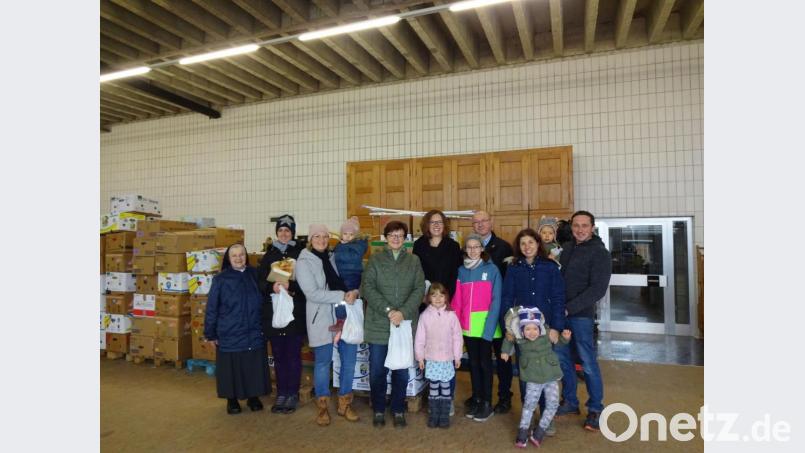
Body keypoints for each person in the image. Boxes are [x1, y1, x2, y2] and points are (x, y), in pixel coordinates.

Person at [501, 228, 566, 435]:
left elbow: (558, 298)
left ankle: (547, 417)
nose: (527, 247)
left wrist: (556, 327)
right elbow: (507, 299)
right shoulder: (513, 268)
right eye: (523, 244)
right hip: (522, 331)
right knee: (526, 373)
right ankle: (529, 415)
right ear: (518, 248)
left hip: (545, 330)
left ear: (538, 244)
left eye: (531, 242)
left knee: (547, 372)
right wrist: (509, 327)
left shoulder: (550, 267)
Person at [361, 220, 425, 428]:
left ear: (405, 239)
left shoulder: (414, 261)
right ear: (385, 238)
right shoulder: (376, 260)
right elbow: (368, 288)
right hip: (380, 324)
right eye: (392, 235)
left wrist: (403, 312)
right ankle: (379, 408)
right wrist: (389, 311)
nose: (396, 239)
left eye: (400, 235)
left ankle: (398, 408)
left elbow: (418, 290)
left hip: (404, 325)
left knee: (401, 371)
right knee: (378, 370)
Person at [295, 224, 361, 426]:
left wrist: (355, 291)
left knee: (349, 361)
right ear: (310, 238)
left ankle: (345, 404)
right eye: (317, 236)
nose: (322, 239)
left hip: (344, 313)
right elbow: (312, 293)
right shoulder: (303, 262)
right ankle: (323, 407)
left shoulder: (333, 256)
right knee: (323, 363)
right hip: (321, 317)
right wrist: (343, 295)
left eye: (325, 236)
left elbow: (352, 275)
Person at [554, 210, 611, 432]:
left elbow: (597, 289)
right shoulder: (567, 248)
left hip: (581, 317)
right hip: (560, 316)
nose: (579, 229)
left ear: (592, 227)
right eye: (576, 225)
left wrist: (570, 308)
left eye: (584, 225)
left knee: (587, 363)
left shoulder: (600, 253)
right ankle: (570, 401)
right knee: (562, 360)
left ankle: (595, 408)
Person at [204, 244, 269, 415]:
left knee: (252, 366)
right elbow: (212, 308)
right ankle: (231, 400)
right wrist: (210, 334)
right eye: (234, 256)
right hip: (229, 332)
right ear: (229, 258)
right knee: (231, 369)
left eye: (242, 255)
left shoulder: (255, 274)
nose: (239, 258)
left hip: (254, 329)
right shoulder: (221, 280)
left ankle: (253, 396)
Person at [256, 214, 307, 414]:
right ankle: (281, 394)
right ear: (276, 233)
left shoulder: (301, 254)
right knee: (278, 355)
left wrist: (291, 285)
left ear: (293, 232)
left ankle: (292, 394)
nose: (284, 234)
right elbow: (260, 283)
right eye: (281, 231)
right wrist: (272, 287)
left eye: (287, 230)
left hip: (294, 314)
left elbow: (308, 284)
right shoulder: (269, 255)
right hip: (275, 313)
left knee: (293, 355)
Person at [500, 307, 571, 448]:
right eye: (527, 329)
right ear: (521, 330)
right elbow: (509, 339)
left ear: (540, 328)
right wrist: (505, 351)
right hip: (532, 377)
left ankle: (540, 430)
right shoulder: (519, 339)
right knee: (529, 405)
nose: (532, 332)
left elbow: (559, 341)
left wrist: (565, 338)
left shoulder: (547, 333)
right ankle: (523, 431)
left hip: (551, 375)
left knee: (553, 404)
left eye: (535, 329)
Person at [452, 234, 502, 422]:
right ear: (466, 250)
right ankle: (478, 398)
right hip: (468, 326)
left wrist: (489, 329)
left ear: (482, 249)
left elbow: (496, 301)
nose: (473, 250)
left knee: (485, 364)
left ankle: (487, 403)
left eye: (476, 247)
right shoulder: (461, 271)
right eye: (469, 247)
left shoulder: (492, 269)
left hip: (486, 326)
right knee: (473, 364)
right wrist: (456, 325)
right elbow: (457, 300)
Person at [471, 210, 515, 414]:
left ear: (491, 222)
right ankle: (479, 393)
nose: (480, 225)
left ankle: (504, 396)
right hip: (477, 314)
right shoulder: (469, 247)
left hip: (499, 312)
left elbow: (509, 280)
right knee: (479, 357)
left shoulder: (504, 247)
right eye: (476, 222)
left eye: (484, 221)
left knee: (502, 355)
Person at [414, 282, 463, 429]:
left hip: (447, 360)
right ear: (428, 298)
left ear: (446, 297)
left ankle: (444, 416)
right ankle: (434, 415)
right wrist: (420, 357)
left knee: (446, 387)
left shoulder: (451, 316)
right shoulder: (424, 316)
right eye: (434, 295)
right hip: (432, 359)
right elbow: (420, 339)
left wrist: (457, 356)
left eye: (441, 295)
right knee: (434, 387)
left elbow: (457, 337)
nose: (438, 298)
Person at [331, 216, 368, 344]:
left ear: (356, 235)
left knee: (349, 300)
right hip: (341, 276)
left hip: (353, 276)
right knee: (340, 300)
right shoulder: (340, 245)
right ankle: (340, 321)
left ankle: (345, 324)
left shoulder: (359, 244)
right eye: (345, 234)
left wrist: (337, 252)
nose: (347, 237)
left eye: (351, 234)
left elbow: (349, 257)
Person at [413, 209, 463, 302]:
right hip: (425, 298)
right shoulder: (419, 245)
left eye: (440, 222)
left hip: (446, 298)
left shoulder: (453, 246)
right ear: (427, 225)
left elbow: (455, 275)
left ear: (444, 225)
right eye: (432, 222)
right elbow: (415, 273)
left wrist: (447, 297)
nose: (436, 225)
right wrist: (422, 297)